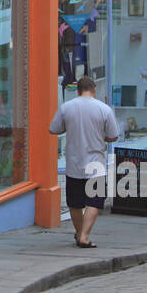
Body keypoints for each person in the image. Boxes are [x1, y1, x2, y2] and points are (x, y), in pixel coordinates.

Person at [49, 76, 119, 248]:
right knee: (94, 202)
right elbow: (113, 136)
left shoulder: (67, 107)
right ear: (94, 90)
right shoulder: (104, 109)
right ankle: (85, 235)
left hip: (74, 163)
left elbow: (54, 129)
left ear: (77, 90)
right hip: (96, 165)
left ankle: (80, 233)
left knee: (74, 203)